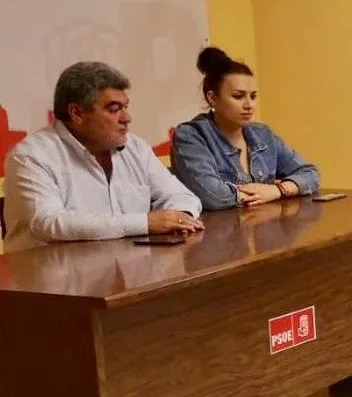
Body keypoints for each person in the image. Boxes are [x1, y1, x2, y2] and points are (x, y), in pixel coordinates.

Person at [2, 62, 203, 252]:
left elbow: (182, 196)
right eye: (114, 109)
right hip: (50, 274)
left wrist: (180, 219)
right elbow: (49, 223)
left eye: (125, 107)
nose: (126, 118)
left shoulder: (135, 147)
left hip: (130, 268)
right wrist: (145, 223)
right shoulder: (30, 157)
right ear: (77, 113)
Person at [170, 47, 320, 211]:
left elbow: (310, 174)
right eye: (238, 96)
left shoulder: (263, 134)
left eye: (253, 96)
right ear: (212, 98)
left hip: (264, 223)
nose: (249, 105)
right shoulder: (191, 136)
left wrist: (277, 190)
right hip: (218, 227)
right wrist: (261, 193)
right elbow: (212, 196)